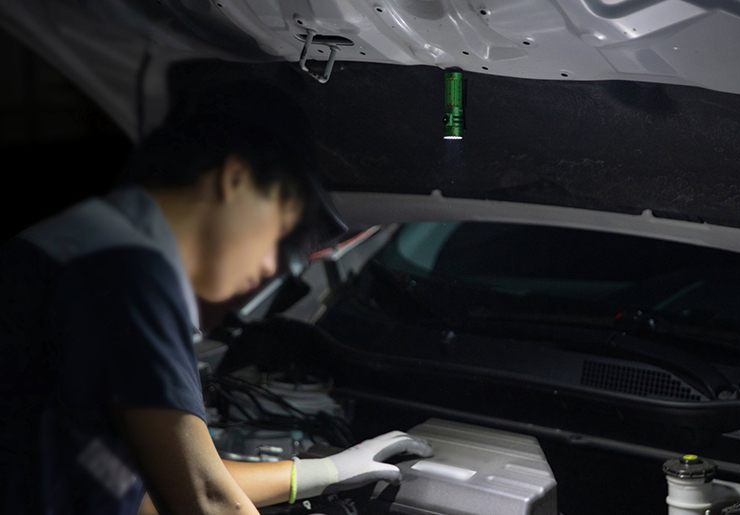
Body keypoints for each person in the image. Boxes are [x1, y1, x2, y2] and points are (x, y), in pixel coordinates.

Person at [0, 80, 433, 515]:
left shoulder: (86, 248)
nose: (273, 266)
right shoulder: (127, 277)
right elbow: (207, 501)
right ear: (234, 180)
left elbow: (148, 491)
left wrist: (326, 471)